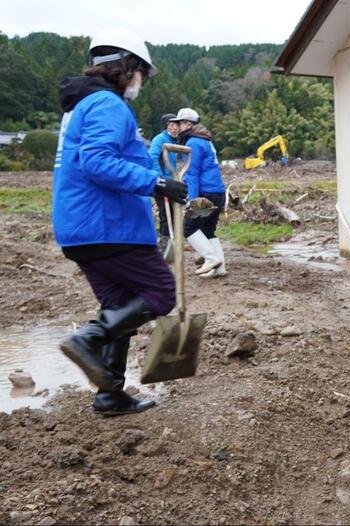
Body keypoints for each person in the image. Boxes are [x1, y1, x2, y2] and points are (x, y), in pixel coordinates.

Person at [53, 27, 187, 416]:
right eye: (141, 73)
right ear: (128, 68)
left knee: (121, 306)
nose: (140, 83)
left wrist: (154, 176)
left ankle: (110, 394)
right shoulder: (107, 105)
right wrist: (155, 181)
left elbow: (105, 158)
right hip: (109, 225)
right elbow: (97, 163)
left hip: (82, 229)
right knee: (161, 292)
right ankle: (87, 340)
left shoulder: (81, 107)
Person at [171, 107, 227, 278]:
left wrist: (191, 199)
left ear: (188, 124)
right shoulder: (205, 140)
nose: (178, 127)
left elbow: (192, 173)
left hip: (205, 194)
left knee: (189, 228)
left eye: (179, 124)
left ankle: (210, 260)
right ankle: (220, 268)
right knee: (208, 230)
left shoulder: (193, 142)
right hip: (218, 192)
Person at [148, 113, 179, 254]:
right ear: (166, 126)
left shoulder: (175, 141)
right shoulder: (159, 140)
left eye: (176, 125)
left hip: (172, 183)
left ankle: (172, 242)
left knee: (173, 213)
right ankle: (164, 244)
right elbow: (152, 158)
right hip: (161, 183)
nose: (174, 128)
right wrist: (161, 179)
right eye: (171, 125)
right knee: (165, 214)